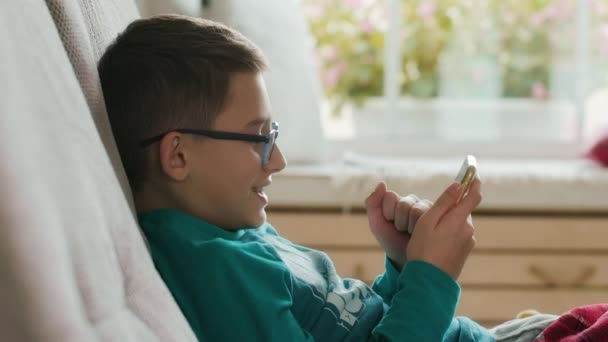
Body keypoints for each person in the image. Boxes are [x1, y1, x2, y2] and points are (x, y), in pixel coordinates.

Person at [98, 14, 493, 341]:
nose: (278, 161)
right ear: (178, 155)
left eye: (273, 137)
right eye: (258, 139)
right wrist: (432, 278)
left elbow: (354, 324)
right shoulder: (214, 269)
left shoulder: (232, 235)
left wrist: (406, 268)